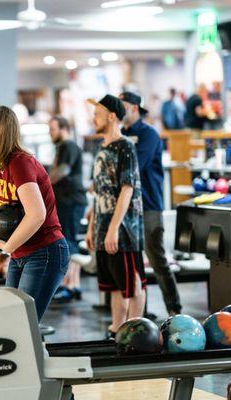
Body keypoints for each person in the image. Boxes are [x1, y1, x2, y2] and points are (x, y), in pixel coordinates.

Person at [0, 105, 69, 321]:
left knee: (21, 323)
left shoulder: (20, 162)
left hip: (44, 252)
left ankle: (37, 355)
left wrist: (6, 247)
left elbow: (37, 215)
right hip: (20, 254)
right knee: (14, 322)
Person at [85, 95, 145, 337]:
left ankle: (138, 331)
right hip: (101, 225)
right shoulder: (102, 148)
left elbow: (127, 189)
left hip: (124, 229)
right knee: (114, 286)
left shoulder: (125, 146)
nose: (93, 118)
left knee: (132, 282)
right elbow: (99, 193)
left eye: (97, 114)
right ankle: (118, 329)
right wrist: (92, 227)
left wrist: (113, 228)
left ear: (111, 116)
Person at [120, 91, 182, 316]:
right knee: (134, 264)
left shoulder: (149, 134)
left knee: (157, 260)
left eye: (123, 106)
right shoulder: (120, 134)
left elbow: (135, 165)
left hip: (149, 205)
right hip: (126, 208)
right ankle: (140, 313)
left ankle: (175, 309)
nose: (119, 111)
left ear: (135, 108)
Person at [48, 116, 87, 303]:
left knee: (68, 242)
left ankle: (69, 285)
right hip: (67, 201)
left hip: (72, 200)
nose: (50, 132)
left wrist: (42, 184)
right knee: (69, 241)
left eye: (53, 129)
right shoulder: (62, 147)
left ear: (64, 128)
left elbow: (63, 171)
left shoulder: (68, 146)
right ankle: (74, 284)